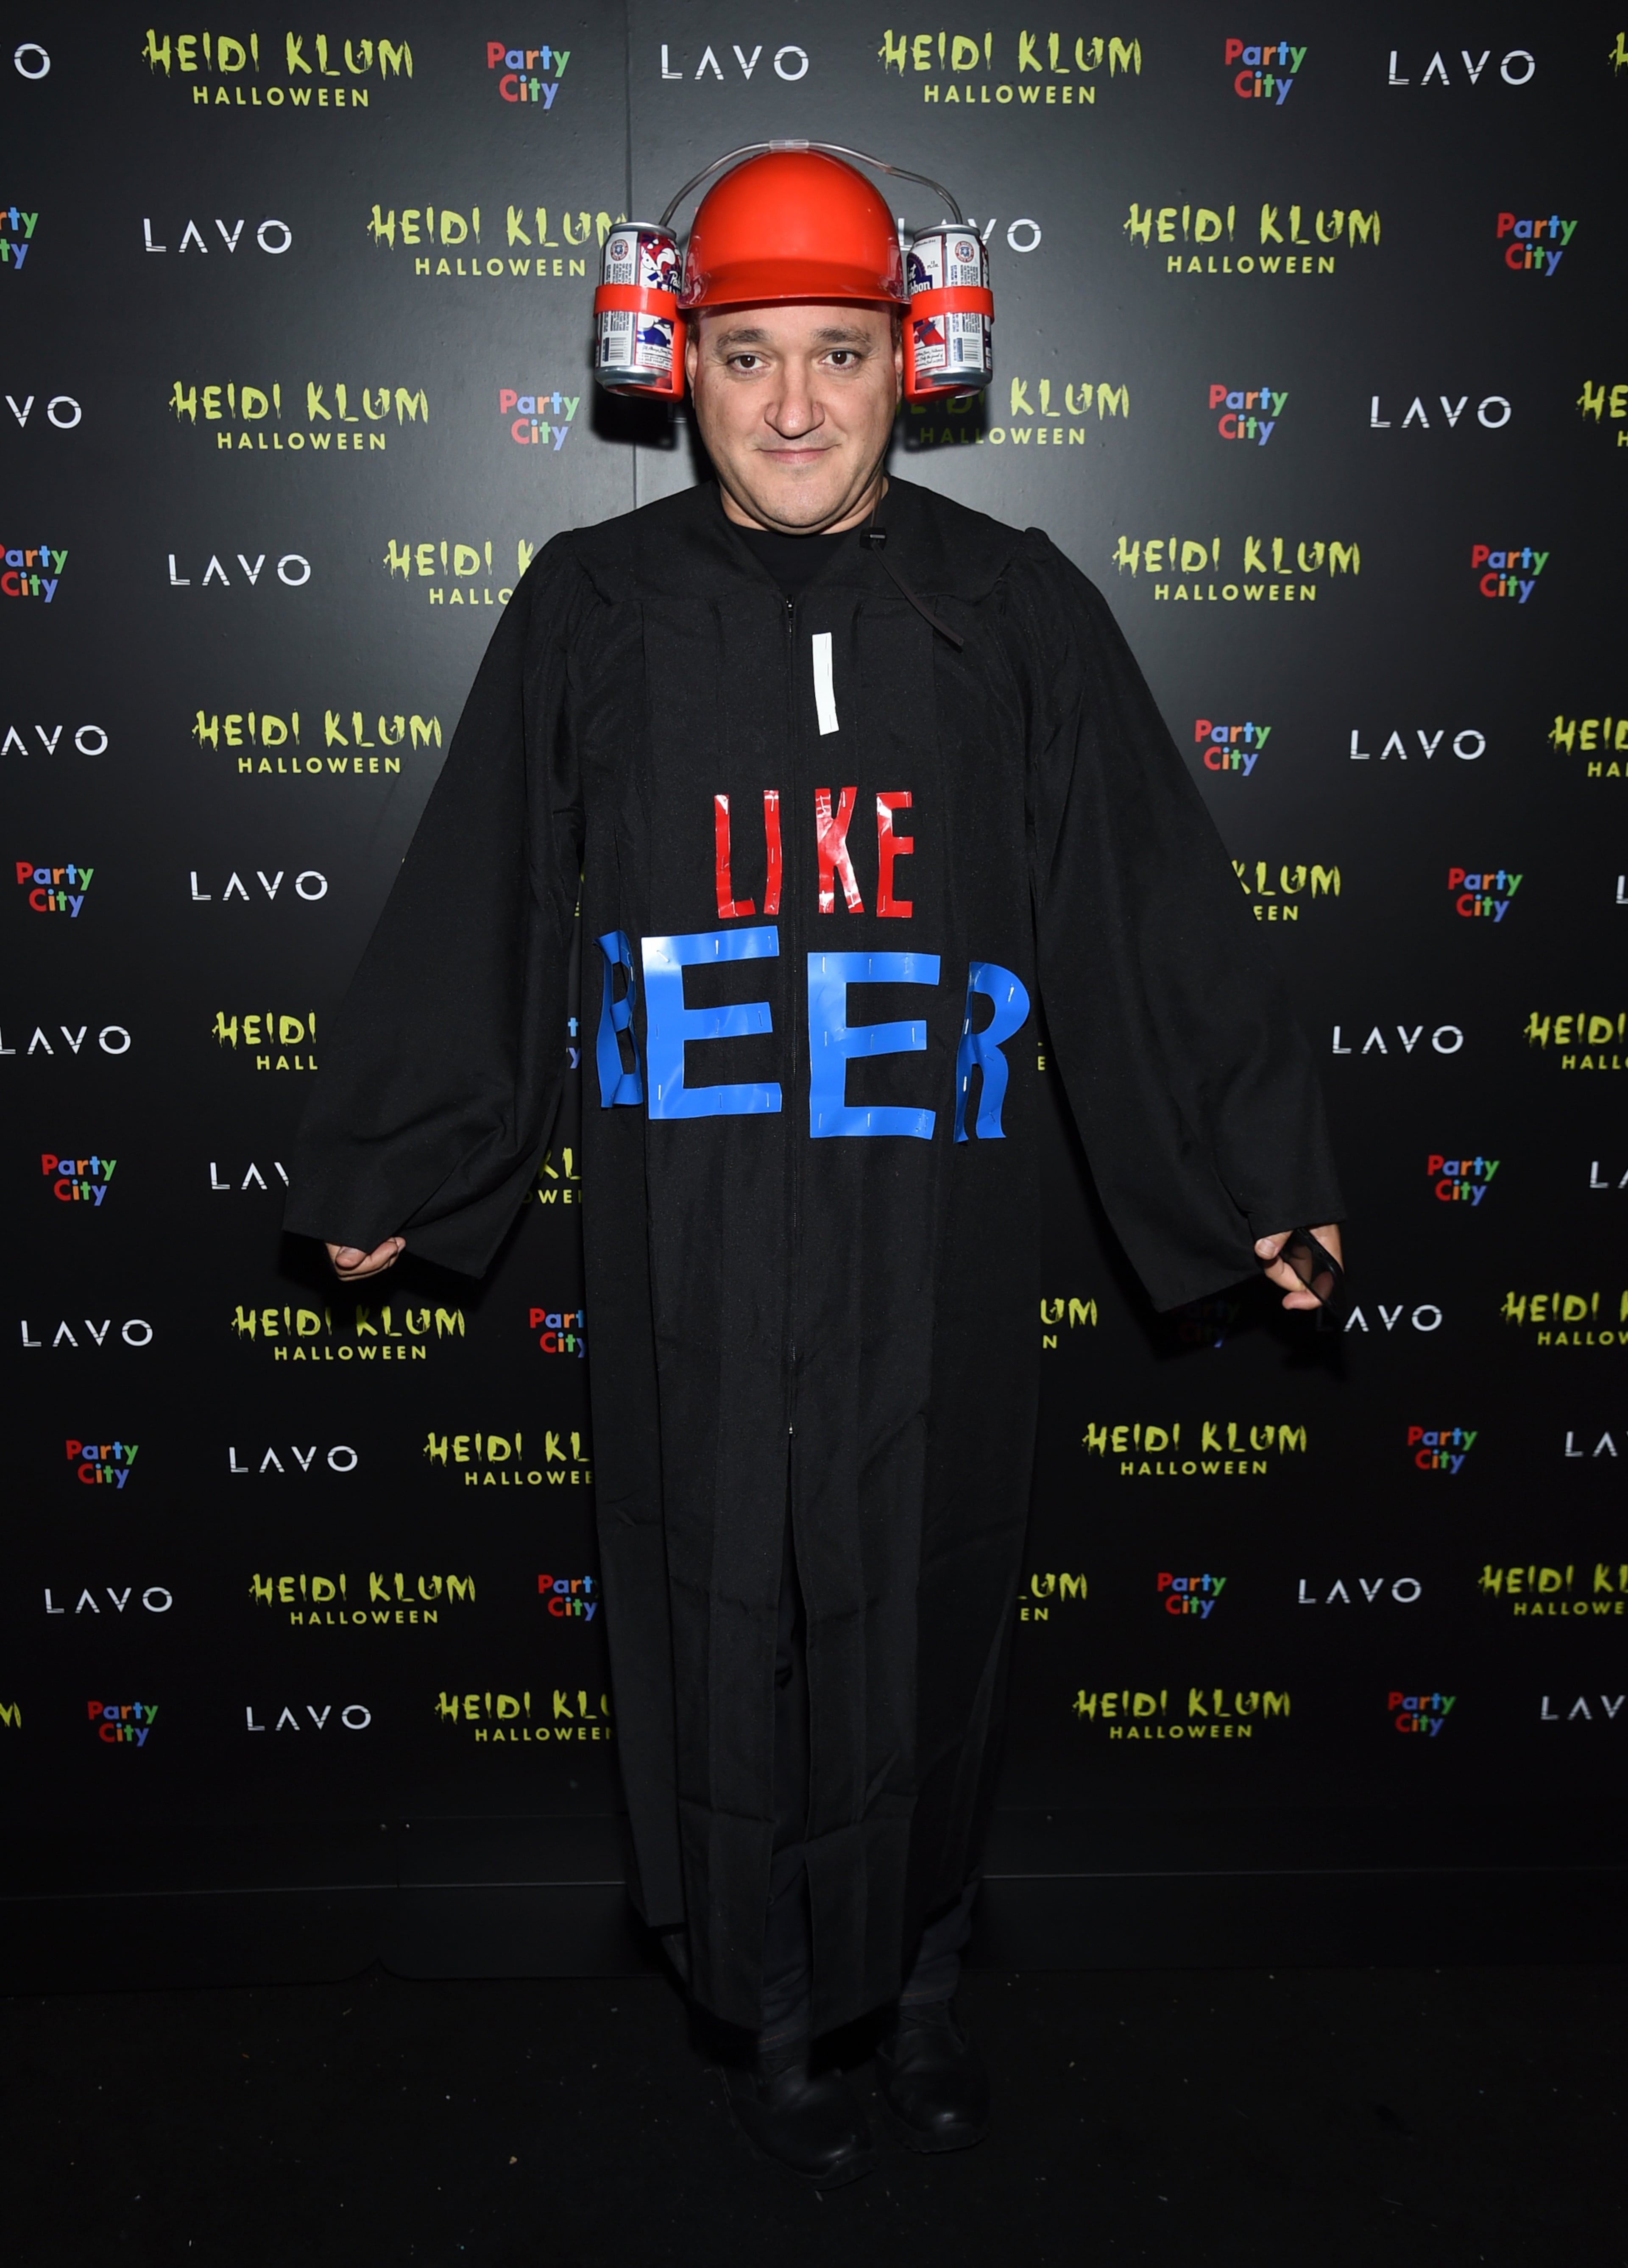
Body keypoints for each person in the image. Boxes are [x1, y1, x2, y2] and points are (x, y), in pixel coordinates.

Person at [286, 151, 1343, 2188]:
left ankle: (919, 1980)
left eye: (837, 356)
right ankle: (775, 2008)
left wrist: (1244, 1174)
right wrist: (409, 1150)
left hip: (929, 1233)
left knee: (930, 1617)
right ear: (670, 370)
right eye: (745, 357)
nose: (790, 406)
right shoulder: (594, 609)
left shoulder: (1012, 605)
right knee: (718, 1614)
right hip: (695, 1241)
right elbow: (490, 901)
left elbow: (1137, 916)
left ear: (910, 362)